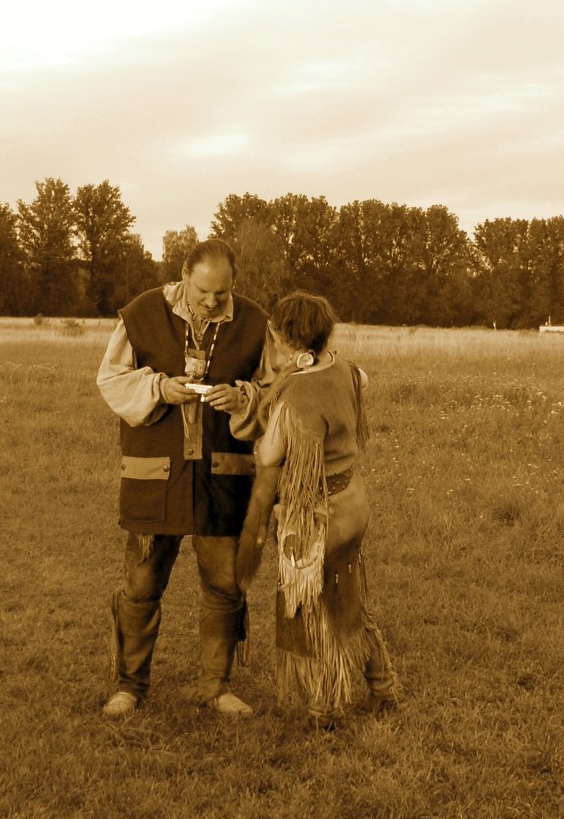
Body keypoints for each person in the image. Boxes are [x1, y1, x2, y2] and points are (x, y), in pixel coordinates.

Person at [96, 239, 270, 717]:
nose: (212, 301)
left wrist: (245, 399)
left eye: (222, 293)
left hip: (224, 476)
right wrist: (158, 387)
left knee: (225, 585)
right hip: (155, 475)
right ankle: (130, 686)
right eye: (203, 291)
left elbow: (275, 389)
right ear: (184, 275)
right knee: (141, 585)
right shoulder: (142, 314)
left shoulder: (255, 322)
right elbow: (111, 379)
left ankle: (217, 687)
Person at [235, 291, 399, 729]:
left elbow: (271, 454)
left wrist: (259, 421)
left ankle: (324, 708)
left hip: (314, 516)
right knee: (348, 600)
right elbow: (362, 381)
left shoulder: (296, 396)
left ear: (284, 336)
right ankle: (382, 686)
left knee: (311, 608)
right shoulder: (344, 367)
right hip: (352, 503)